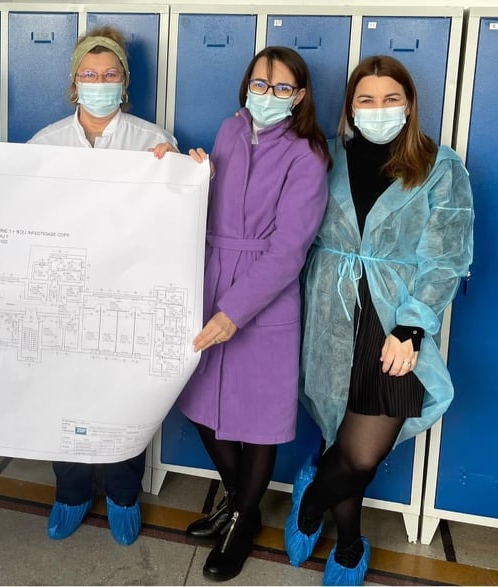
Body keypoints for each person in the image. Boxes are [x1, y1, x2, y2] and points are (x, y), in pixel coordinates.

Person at [284, 55, 474, 586]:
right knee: (337, 433)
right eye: (365, 99)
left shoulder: (439, 166)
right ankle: (349, 542)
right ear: (351, 107)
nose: (378, 108)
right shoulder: (324, 156)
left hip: (393, 317)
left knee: (362, 453)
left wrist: (411, 329)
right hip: (330, 310)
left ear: (409, 104)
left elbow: (446, 257)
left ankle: (312, 497)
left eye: (391, 98)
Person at [176, 46, 331, 581]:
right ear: (246, 87)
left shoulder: (308, 155)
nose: (268, 95)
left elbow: (289, 250)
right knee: (201, 402)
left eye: (282, 88)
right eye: (260, 85)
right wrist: (183, 172)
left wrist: (235, 311)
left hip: (266, 296)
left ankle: (241, 522)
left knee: (259, 422)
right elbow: (210, 199)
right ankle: (243, 503)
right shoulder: (229, 130)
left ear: (300, 96)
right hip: (210, 276)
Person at [28, 25, 178, 546]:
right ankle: (71, 493)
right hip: (62, 295)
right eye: (89, 75)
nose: (99, 83)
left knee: (122, 399)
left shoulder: (153, 142)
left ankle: (122, 493)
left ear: (124, 83)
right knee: (63, 394)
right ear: (74, 84)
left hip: (125, 296)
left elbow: (173, 222)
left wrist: (184, 173)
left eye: (109, 74)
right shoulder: (45, 143)